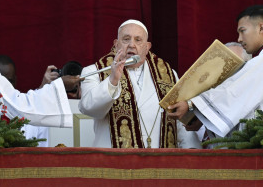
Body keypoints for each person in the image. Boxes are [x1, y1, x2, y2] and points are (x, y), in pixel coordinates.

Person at [168, 5, 263, 137]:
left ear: (261, 27)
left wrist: (192, 104)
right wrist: (203, 117)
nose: (239, 39)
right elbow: (245, 101)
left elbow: (236, 90)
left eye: (242, 31)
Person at [79, 19, 201, 148]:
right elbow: (89, 108)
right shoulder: (94, 71)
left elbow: (178, 121)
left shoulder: (169, 74)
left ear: (147, 47)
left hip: (160, 161)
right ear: (116, 44)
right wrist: (112, 80)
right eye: (126, 39)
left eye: (138, 40)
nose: (132, 44)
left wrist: (192, 151)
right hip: (115, 162)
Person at [0, 54, 59, 147]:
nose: (4, 87)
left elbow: (42, 154)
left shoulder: (36, 113)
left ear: (15, 80)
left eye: (8, 82)